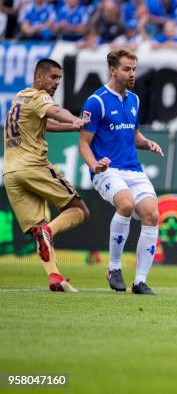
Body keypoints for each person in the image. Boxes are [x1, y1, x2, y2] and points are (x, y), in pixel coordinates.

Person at [78, 50, 164, 295]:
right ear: (113, 70)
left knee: (152, 215)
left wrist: (147, 143)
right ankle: (114, 268)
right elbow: (84, 143)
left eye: (134, 69)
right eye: (127, 69)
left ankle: (140, 281)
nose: (132, 74)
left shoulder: (135, 100)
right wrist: (94, 166)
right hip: (107, 170)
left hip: (133, 170)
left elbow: (133, 134)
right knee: (125, 205)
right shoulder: (96, 102)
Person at [3, 58, 89, 292]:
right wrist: (75, 119)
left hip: (10, 171)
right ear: (38, 76)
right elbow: (55, 111)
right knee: (79, 209)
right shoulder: (39, 96)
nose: (56, 82)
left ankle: (54, 277)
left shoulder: (20, 97)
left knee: (37, 228)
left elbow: (46, 122)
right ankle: (48, 231)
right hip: (33, 165)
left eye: (59, 78)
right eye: (53, 77)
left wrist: (70, 128)